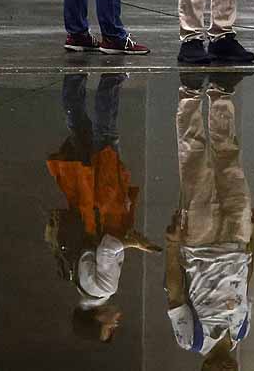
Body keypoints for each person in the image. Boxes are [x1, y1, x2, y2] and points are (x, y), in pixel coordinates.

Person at [46, 73, 160, 343]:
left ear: (97, 321)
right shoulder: (80, 285)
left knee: (105, 133)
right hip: (87, 197)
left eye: (109, 329)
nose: (115, 323)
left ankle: (112, 74)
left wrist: (137, 244)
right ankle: (74, 77)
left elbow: (109, 245)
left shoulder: (104, 289)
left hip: (104, 198)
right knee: (79, 129)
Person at [166, 73, 254, 370]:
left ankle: (190, 95)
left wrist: (173, 246)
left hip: (200, 243)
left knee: (195, 161)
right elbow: (244, 285)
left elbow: (175, 293)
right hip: (237, 240)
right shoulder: (241, 332)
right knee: (230, 161)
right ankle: (221, 95)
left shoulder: (192, 340)